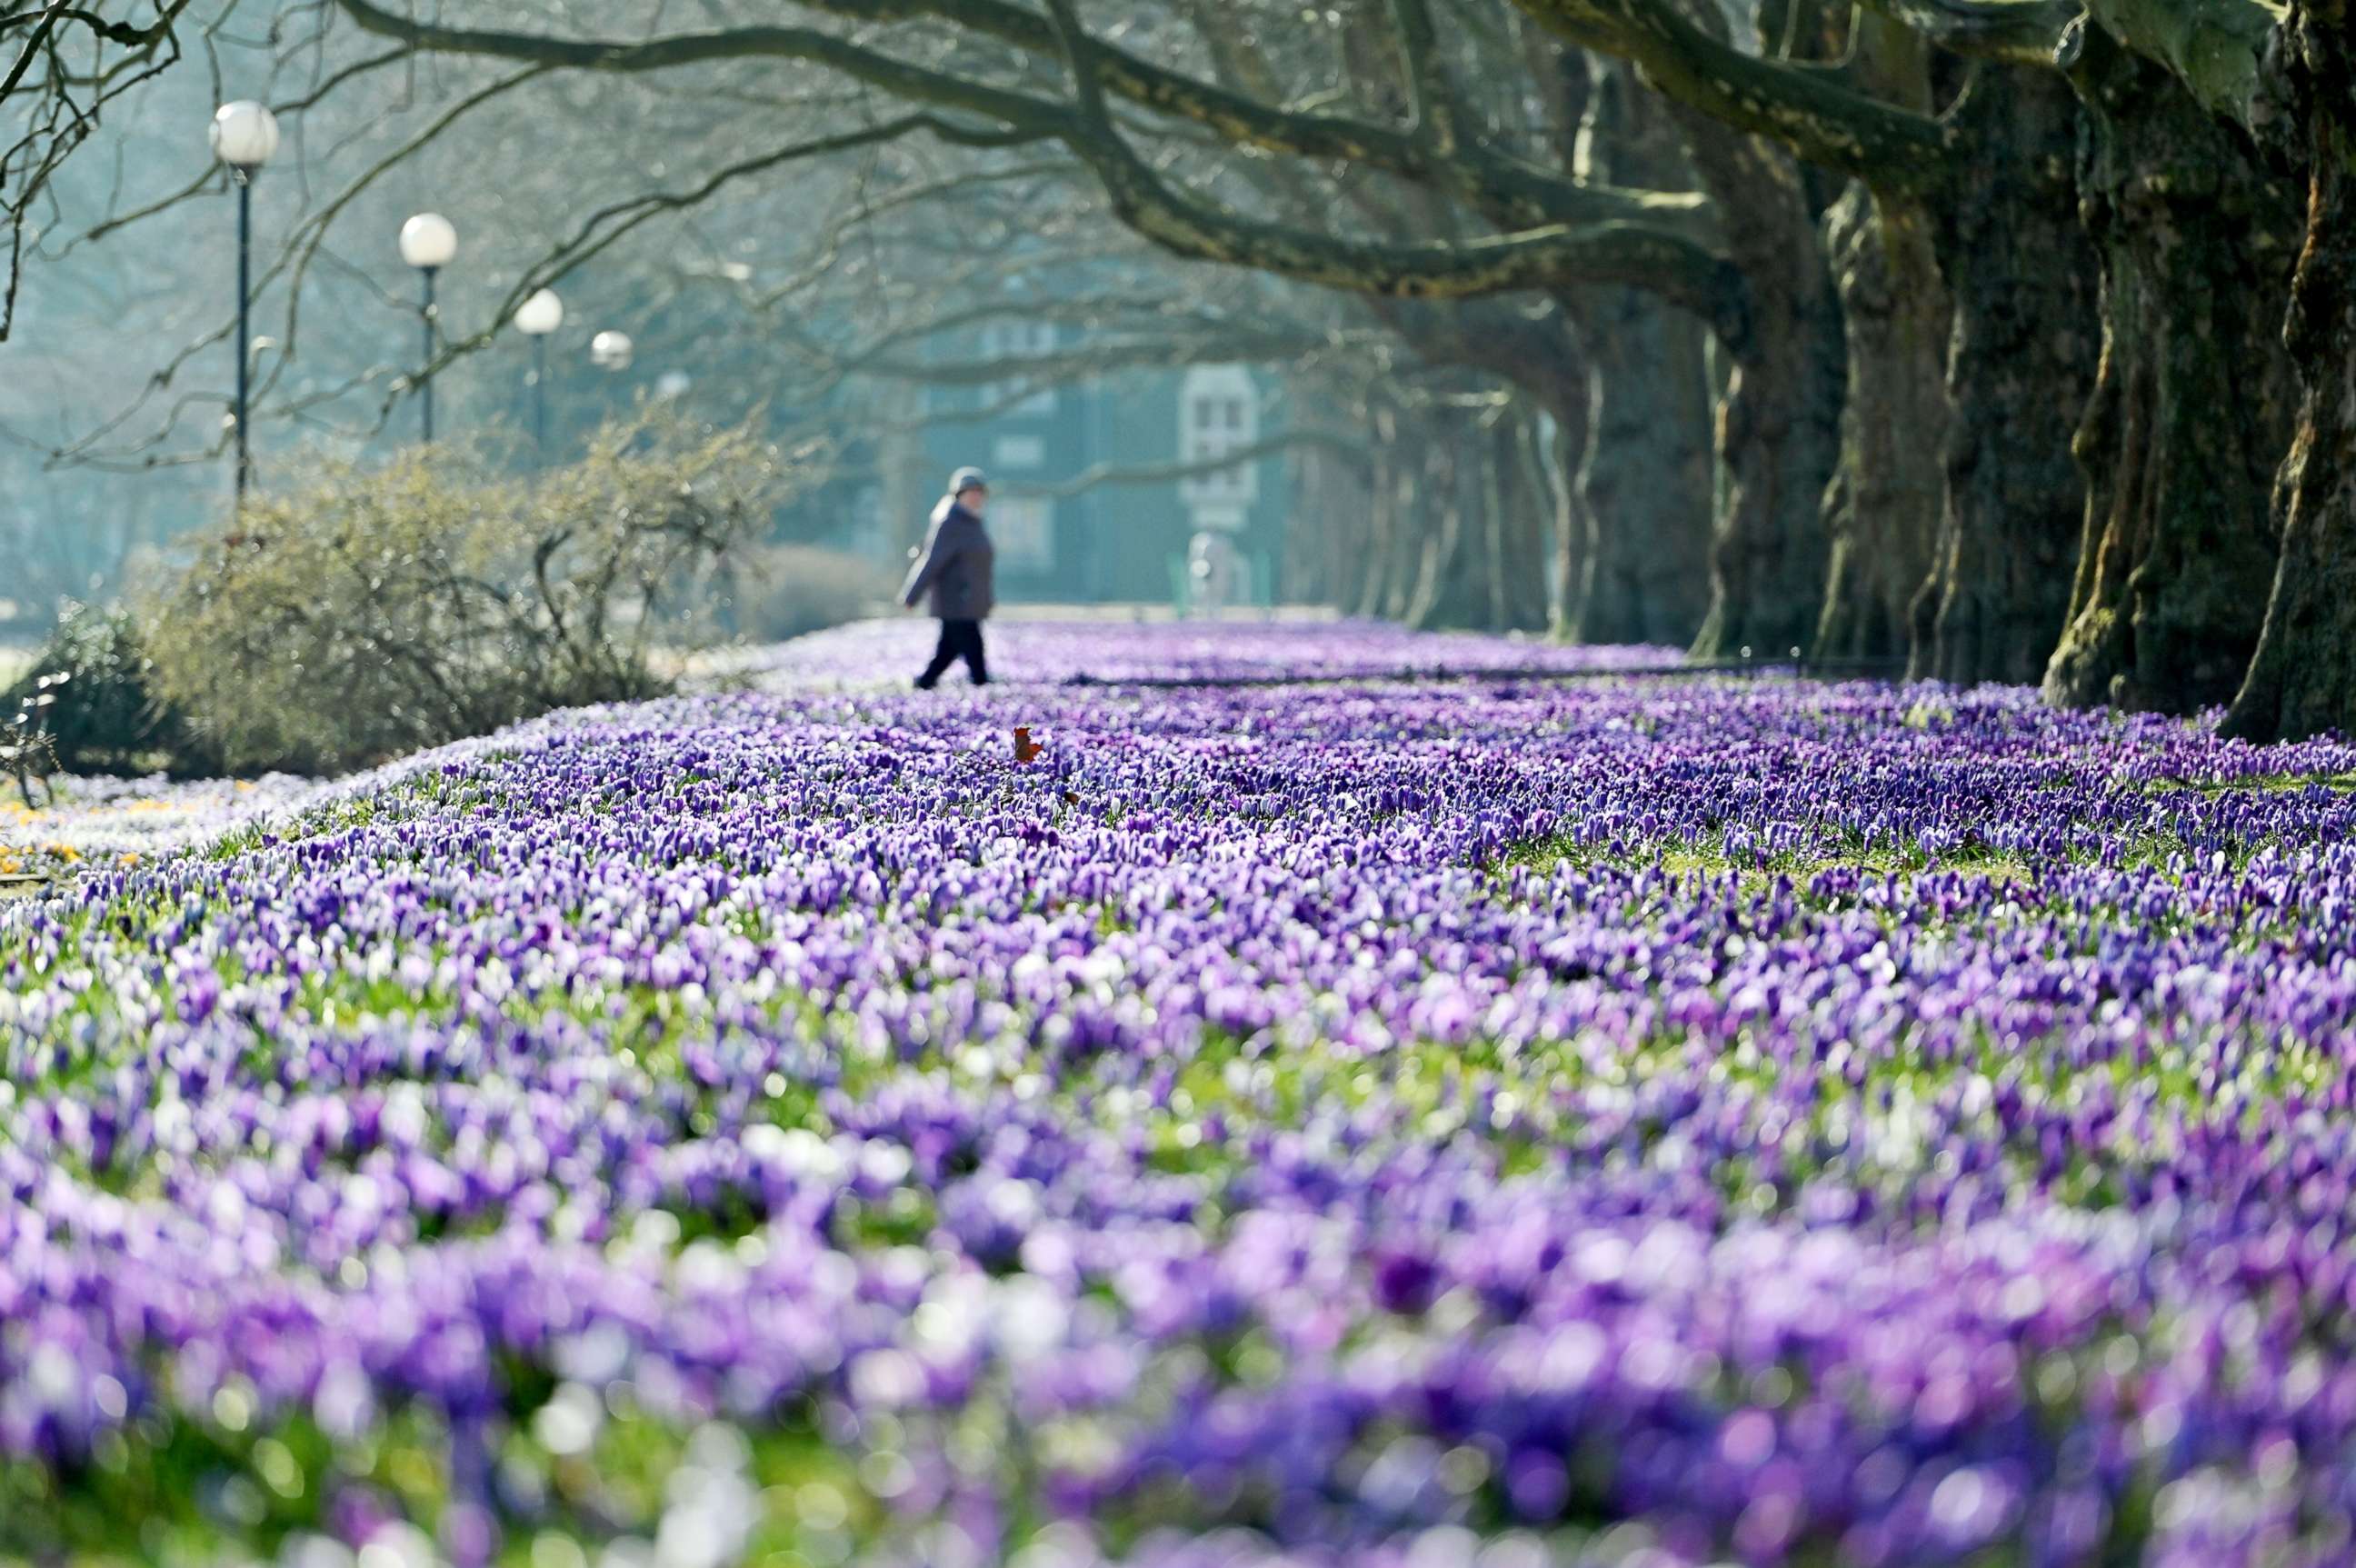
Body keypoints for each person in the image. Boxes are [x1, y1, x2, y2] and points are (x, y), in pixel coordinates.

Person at [902, 466, 996, 689]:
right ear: (958, 494)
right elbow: (932, 560)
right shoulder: (951, 523)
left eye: (979, 491)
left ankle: (925, 682)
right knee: (972, 646)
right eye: (970, 491)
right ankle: (980, 686)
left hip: (970, 600)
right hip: (956, 599)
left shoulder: (973, 522)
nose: (976, 496)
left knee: (949, 648)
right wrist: (911, 595)